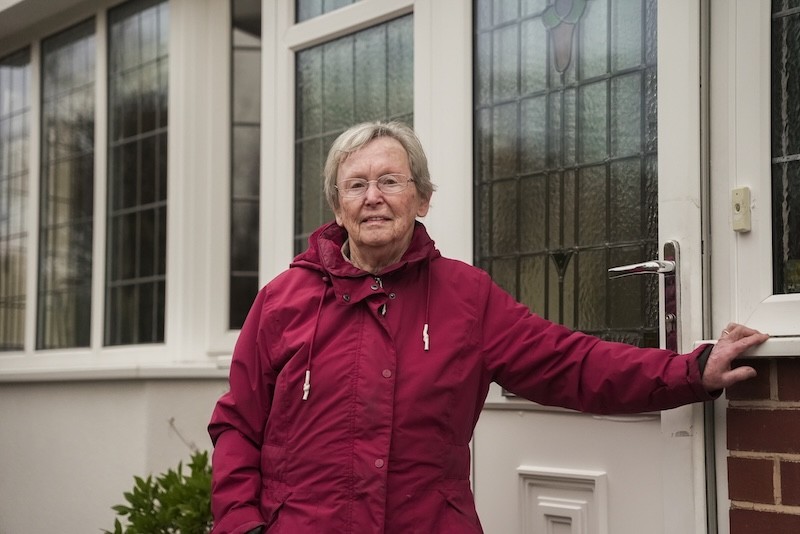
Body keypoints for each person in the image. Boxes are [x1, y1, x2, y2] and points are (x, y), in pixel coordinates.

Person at [208, 121, 768, 534]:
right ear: (337, 204)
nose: (372, 197)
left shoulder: (464, 296)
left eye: (390, 181)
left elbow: (567, 363)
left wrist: (691, 370)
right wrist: (242, 527)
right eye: (356, 185)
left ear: (422, 199)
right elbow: (238, 425)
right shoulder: (284, 299)